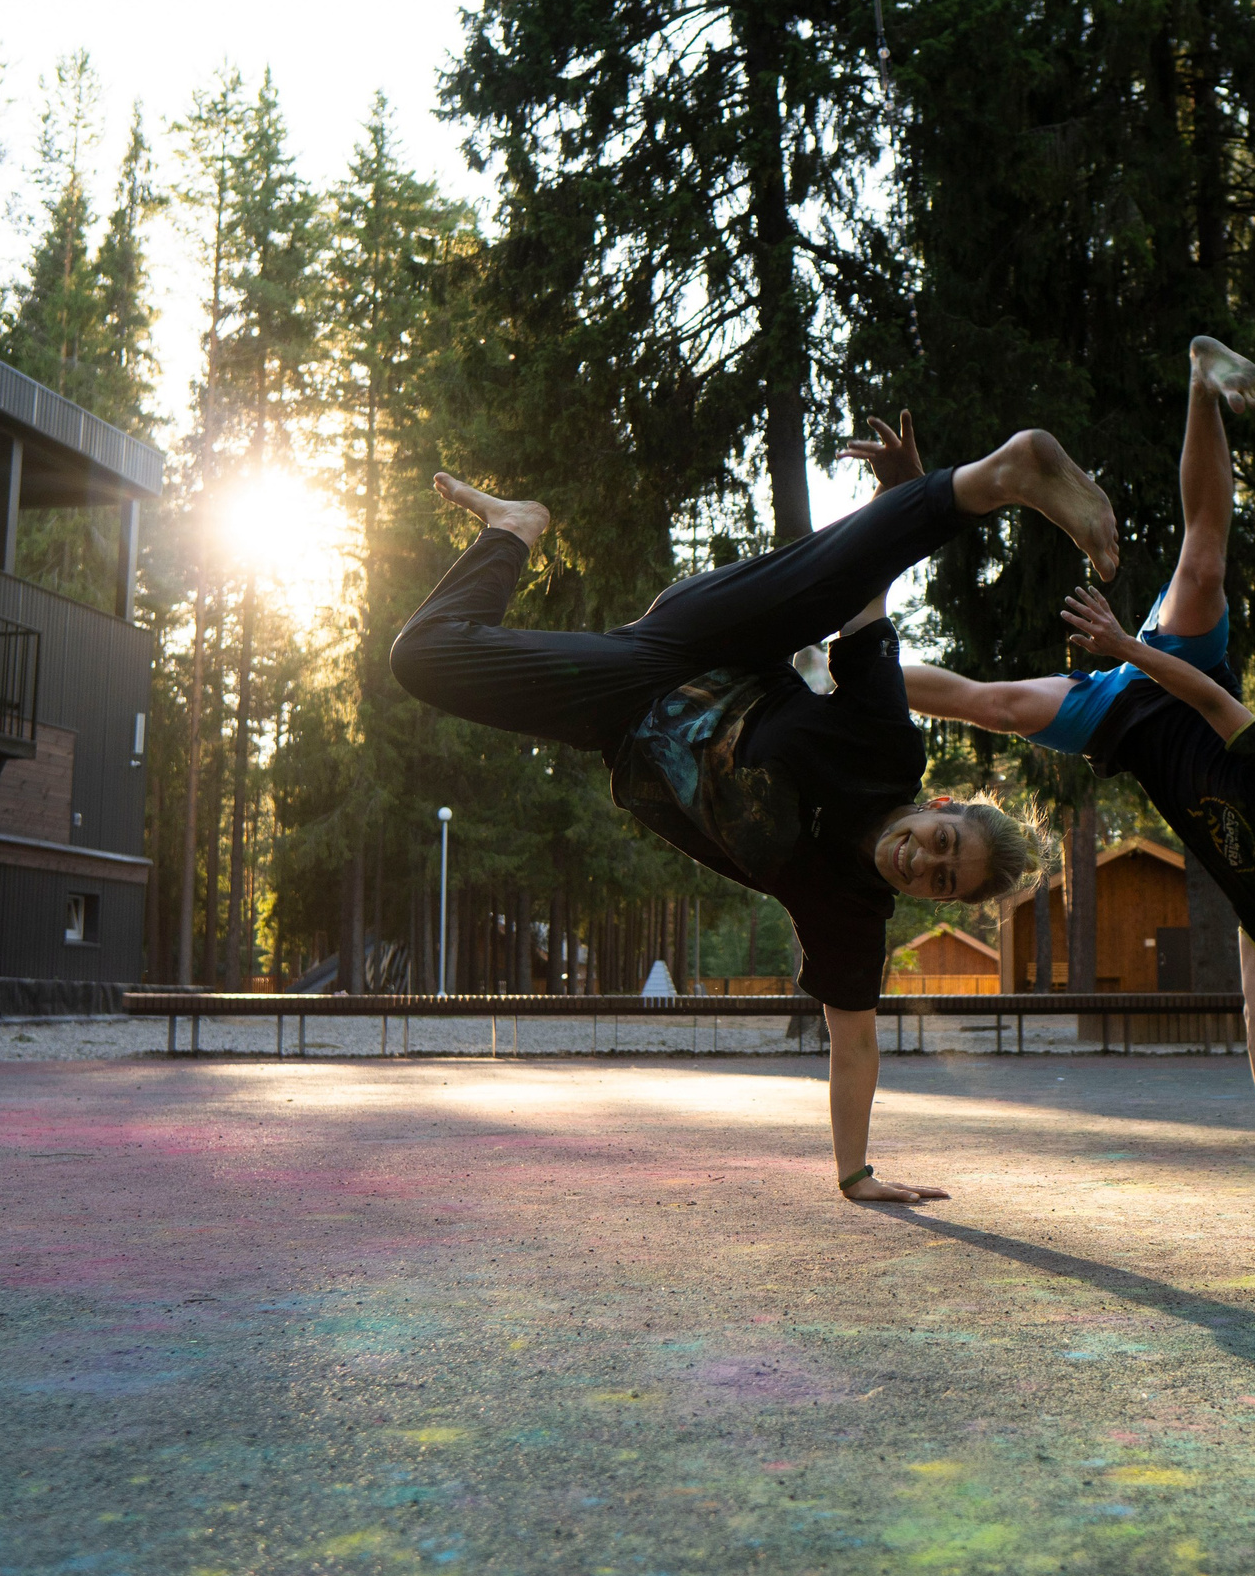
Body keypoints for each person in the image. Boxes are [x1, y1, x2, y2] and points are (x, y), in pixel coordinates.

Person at [391, 428, 1118, 1203]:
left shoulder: (852, 909)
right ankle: (1000, 473)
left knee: (422, 656)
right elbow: (862, 611)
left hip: (627, 713)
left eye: (939, 881)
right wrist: (902, 501)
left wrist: (856, 1173)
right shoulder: (887, 747)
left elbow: (856, 1046)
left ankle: (513, 527)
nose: (920, 861)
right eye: (941, 843)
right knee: (822, 587)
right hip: (702, 640)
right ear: (939, 806)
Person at [900, 338, 1255, 1139]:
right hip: (1178, 670)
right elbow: (1207, 695)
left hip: (1122, 723)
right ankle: (1202, 383)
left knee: (989, 704)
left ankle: (833, 671)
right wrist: (1126, 645)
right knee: (1203, 562)